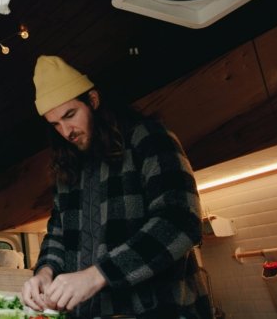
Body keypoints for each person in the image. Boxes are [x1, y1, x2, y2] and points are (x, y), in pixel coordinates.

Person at [21, 55, 213, 319]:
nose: (66, 131)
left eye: (70, 115)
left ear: (93, 101)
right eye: (55, 124)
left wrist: (97, 275)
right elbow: (58, 236)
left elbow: (180, 221)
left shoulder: (148, 138)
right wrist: (45, 272)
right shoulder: (68, 167)